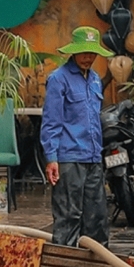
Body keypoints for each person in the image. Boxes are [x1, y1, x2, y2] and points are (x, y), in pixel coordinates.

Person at [41, 26, 113, 247]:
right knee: (69, 216)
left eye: (92, 53)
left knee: (97, 217)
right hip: (68, 158)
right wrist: (51, 158)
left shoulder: (94, 80)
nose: (88, 58)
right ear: (74, 52)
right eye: (84, 53)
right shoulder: (58, 79)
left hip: (92, 157)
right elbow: (51, 121)